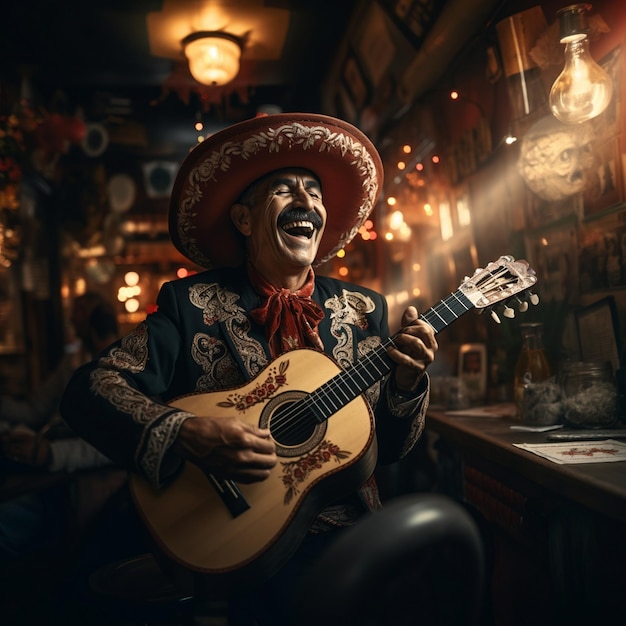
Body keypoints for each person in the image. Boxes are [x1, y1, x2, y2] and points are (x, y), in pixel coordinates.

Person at [60, 113, 438, 625]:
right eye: (285, 190)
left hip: (353, 538)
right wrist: (186, 434)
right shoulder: (189, 304)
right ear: (243, 219)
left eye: (315, 192)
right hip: (237, 547)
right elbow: (91, 389)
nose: (307, 202)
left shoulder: (365, 308)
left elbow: (385, 449)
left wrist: (407, 384)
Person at [0, 295, 119, 561]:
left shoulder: (120, 367)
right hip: (49, 462)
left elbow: (116, 442)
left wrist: (50, 453)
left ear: (92, 320)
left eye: (78, 313)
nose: (71, 320)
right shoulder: (74, 362)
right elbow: (34, 409)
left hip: (79, 483)